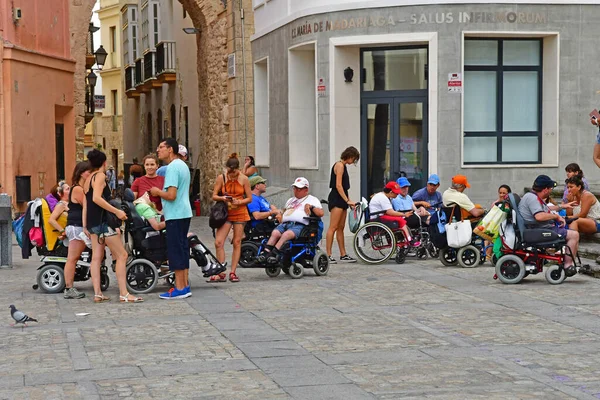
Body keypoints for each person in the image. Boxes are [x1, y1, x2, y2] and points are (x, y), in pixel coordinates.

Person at [84, 149, 142, 303]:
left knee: (96, 257)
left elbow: (87, 203)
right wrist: (117, 211)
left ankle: (97, 293)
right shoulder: (101, 176)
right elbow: (97, 198)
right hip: (103, 223)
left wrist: (85, 225)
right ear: (104, 162)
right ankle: (124, 293)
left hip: (93, 222)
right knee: (122, 255)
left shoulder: (88, 178)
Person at [149, 138, 194, 298]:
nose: (158, 150)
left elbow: (171, 195)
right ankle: (184, 285)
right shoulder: (182, 165)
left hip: (176, 214)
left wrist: (157, 192)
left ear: (170, 150)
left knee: (175, 250)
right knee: (182, 249)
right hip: (184, 212)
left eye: (161, 147)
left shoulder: (173, 167)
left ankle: (180, 287)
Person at [518, 174, 579, 272]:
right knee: (574, 235)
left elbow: (546, 209)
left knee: (571, 230)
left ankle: (569, 262)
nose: (551, 191)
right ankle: (568, 266)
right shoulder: (532, 198)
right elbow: (539, 216)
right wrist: (556, 216)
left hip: (537, 228)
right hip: (538, 230)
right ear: (545, 189)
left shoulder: (532, 196)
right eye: (550, 188)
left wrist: (562, 206)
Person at [257, 177, 324, 264]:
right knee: (275, 233)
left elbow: (321, 213)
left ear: (306, 189)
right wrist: (279, 214)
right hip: (286, 223)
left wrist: (311, 207)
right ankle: (265, 253)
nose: (296, 190)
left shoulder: (312, 199)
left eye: (299, 189)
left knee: (286, 234)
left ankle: (274, 254)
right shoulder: (290, 200)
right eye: (295, 188)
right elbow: (284, 211)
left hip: (300, 226)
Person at [209, 153, 252, 283]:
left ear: (238, 170)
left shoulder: (244, 179)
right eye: (229, 172)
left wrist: (240, 202)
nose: (231, 175)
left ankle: (233, 272)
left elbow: (249, 198)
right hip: (225, 213)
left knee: (237, 242)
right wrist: (222, 197)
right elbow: (214, 195)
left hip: (240, 212)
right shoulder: (221, 178)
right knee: (219, 242)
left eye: (234, 173)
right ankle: (221, 270)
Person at [63, 161, 92, 299]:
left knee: (73, 258)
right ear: (82, 173)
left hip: (76, 226)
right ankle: (69, 288)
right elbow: (87, 207)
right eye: (88, 172)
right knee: (73, 258)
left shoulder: (78, 188)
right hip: (77, 226)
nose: (90, 174)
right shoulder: (78, 189)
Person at [326, 146, 360, 264]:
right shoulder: (339, 165)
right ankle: (328, 255)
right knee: (333, 227)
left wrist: (349, 201)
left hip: (342, 198)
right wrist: (347, 200)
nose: (353, 162)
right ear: (350, 156)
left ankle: (343, 254)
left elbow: (344, 189)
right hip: (337, 198)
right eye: (354, 159)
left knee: (341, 227)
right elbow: (338, 185)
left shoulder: (343, 166)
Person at [369, 181, 419, 246]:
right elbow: (390, 212)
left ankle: (408, 239)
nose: (397, 194)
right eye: (396, 193)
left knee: (400, 219)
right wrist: (404, 214)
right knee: (400, 219)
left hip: (381, 216)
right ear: (391, 192)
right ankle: (409, 240)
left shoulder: (384, 196)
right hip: (378, 218)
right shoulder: (383, 198)